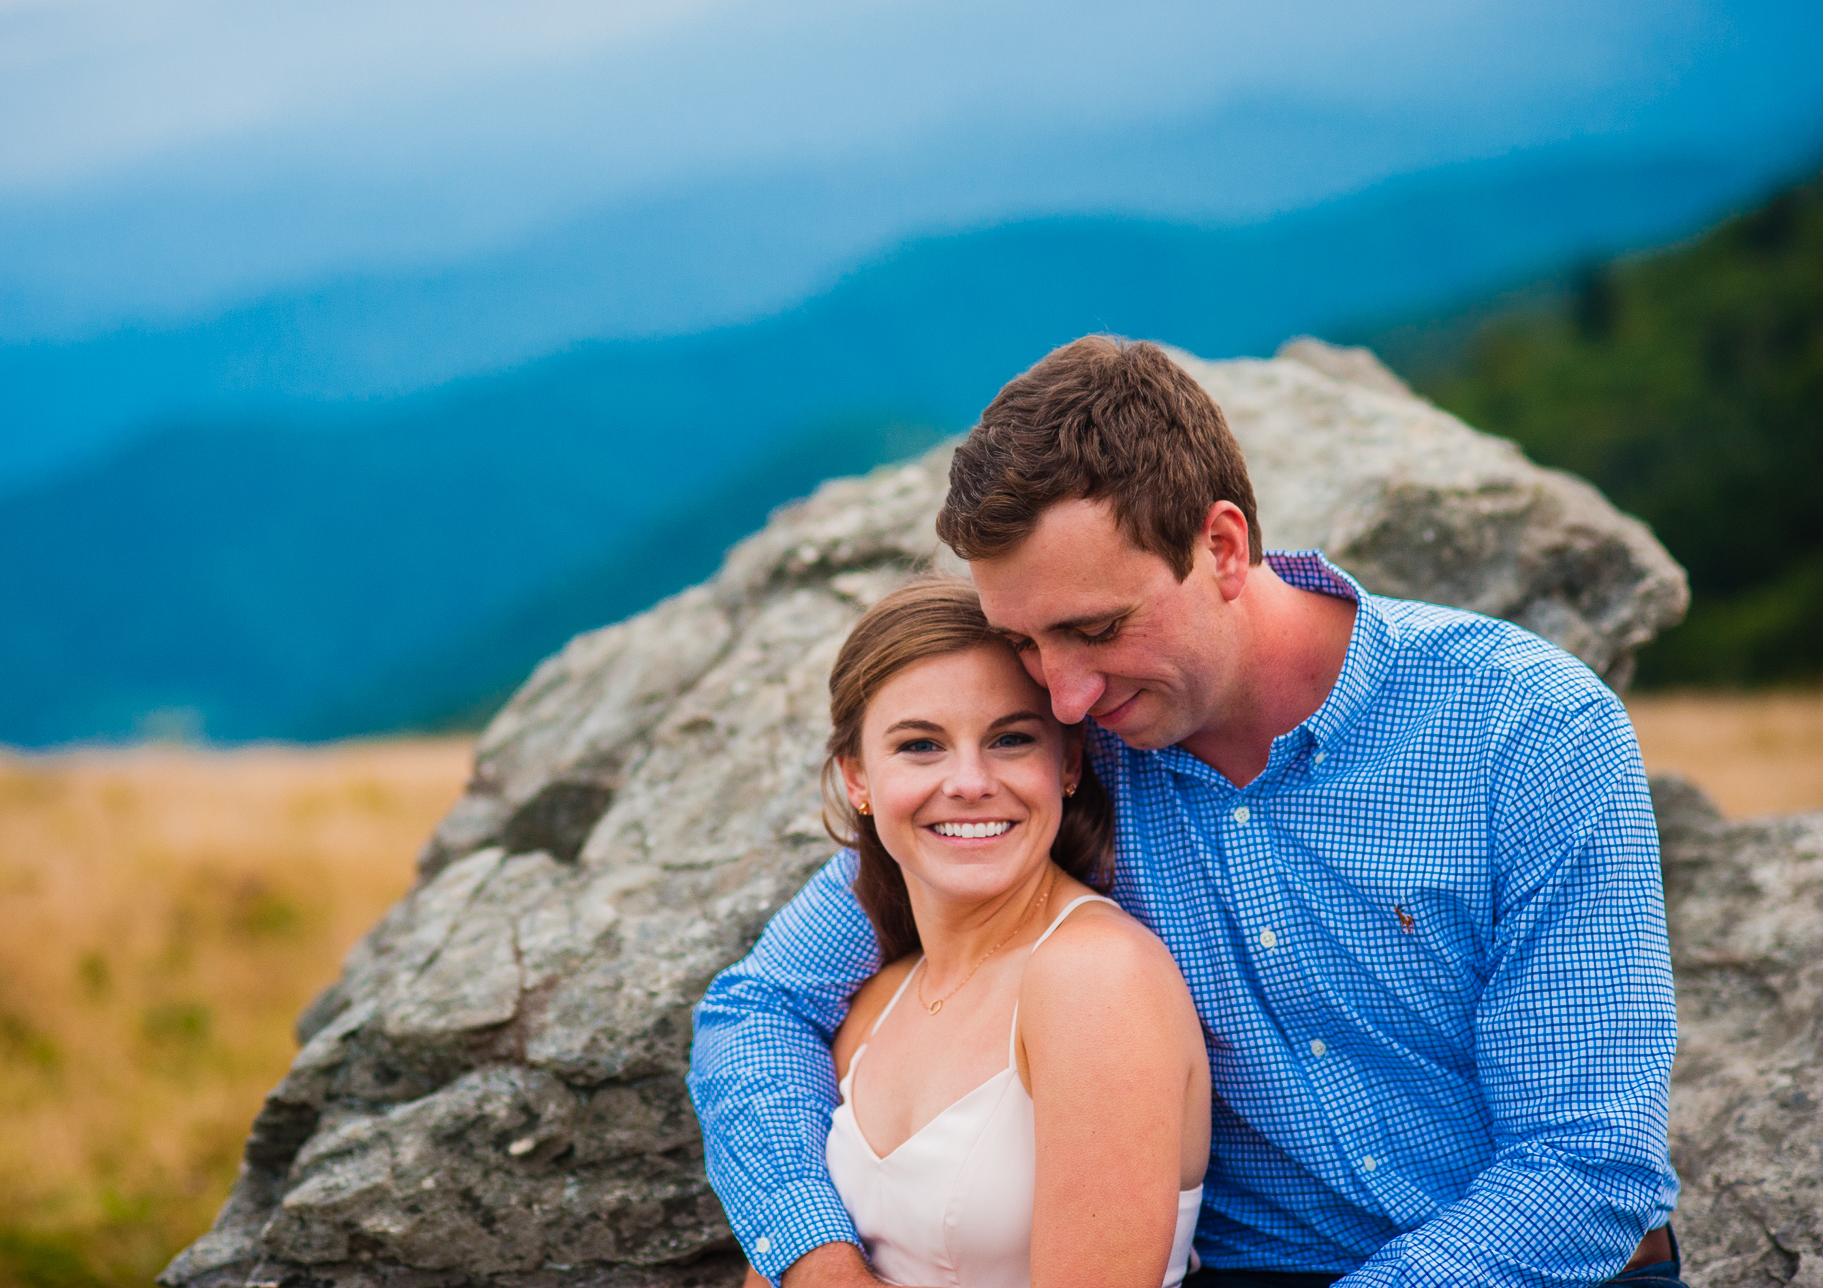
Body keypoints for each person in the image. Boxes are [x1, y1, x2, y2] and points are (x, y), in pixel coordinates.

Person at [690, 336, 1683, 1288]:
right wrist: (816, 1259)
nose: (1064, 694)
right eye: (1027, 642)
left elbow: (1586, 1163)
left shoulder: (1526, 729)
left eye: (1094, 629)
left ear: (1219, 545)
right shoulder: (1062, 762)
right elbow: (761, 1006)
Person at [732, 576, 1211, 1288]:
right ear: (857, 779)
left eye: (1011, 739)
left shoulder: (1096, 977)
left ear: (1068, 763)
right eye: (921, 745)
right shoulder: (877, 997)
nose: (968, 780)